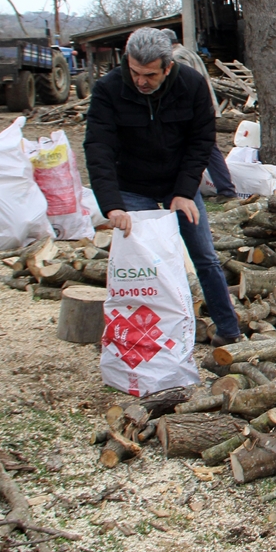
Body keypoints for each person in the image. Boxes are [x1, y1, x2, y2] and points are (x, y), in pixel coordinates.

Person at [84, 27, 243, 347]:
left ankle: (228, 329)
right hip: (132, 184)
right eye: (135, 72)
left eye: (150, 75)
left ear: (167, 67)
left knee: (205, 256)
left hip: (177, 183)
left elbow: (201, 142)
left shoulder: (192, 84)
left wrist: (184, 191)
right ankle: (156, 337)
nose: (141, 81)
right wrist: (112, 204)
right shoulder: (108, 89)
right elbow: (98, 148)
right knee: (147, 263)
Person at [160, 28, 237, 201]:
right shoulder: (189, 52)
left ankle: (225, 190)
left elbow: (183, 87)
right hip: (206, 107)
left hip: (193, 111)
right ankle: (222, 188)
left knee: (204, 149)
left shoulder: (177, 58)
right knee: (208, 149)